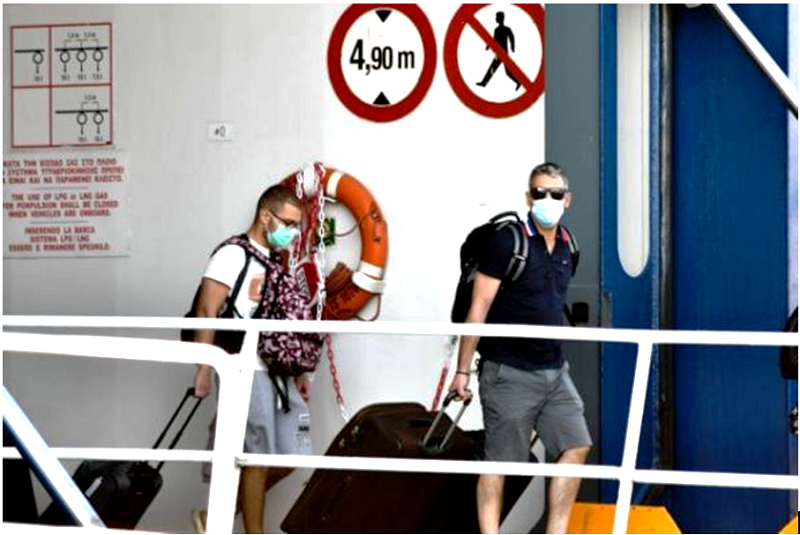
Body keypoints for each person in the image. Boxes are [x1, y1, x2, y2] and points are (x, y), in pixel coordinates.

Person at [449, 163, 592, 534]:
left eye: (556, 194)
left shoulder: (569, 245)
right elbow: (478, 307)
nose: (548, 200)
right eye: (540, 193)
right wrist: (462, 371)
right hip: (508, 370)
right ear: (529, 197)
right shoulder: (507, 242)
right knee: (501, 463)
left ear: (568, 199)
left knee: (577, 444)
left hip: (554, 370)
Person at [192, 184, 314, 534]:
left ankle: (216, 516)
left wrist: (298, 371)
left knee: (290, 454)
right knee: (256, 457)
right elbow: (207, 310)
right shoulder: (231, 255)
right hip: (245, 366)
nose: (292, 233)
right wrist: (204, 367)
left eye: (296, 226)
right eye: (288, 223)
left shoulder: (275, 260)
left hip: (276, 369)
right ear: (265, 216)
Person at [476, 11, 521, 91]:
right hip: (498, 53)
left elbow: (511, 37)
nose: (495, 19)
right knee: (497, 69)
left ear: (501, 18)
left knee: (504, 71)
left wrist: (512, 46)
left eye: (497, 17)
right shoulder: (496, 30)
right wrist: (488, 46)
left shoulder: (506, 29)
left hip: (504, 53)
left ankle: (519, 82)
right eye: (496, 17)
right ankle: (484, 83)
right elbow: (493, 40)